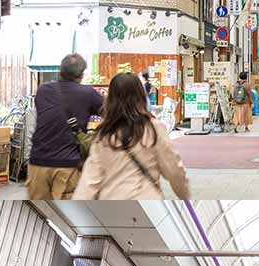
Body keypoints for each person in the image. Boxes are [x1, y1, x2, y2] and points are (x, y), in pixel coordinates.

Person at [74, 73, 191, 200]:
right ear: (141, 96)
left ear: (110, 99)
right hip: (146, 198)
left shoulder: (103, 135)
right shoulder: (153, 129)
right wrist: (185, 196)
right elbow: (174, 170)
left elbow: (89, 182)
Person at [26, 54, 104, 200]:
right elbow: (113, 114)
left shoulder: (43, 90)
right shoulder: (88, 93)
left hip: (38, 163)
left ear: (60, 71)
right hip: (68, 165)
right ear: (81, 74)